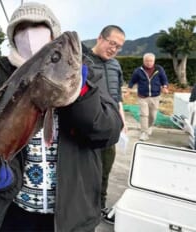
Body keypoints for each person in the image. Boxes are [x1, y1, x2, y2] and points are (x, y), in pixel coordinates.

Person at [0, 2, 124, 231]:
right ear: (12, 36)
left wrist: (82, 92)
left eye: (39, 26)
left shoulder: (88, 76)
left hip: (71, 217)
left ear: (53, 33)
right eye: (21, 28)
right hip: (15, 212)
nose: (29, 34)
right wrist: (4, 182)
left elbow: (109, 131)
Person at [85, 25, 126, 224]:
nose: (114, 49)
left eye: (118, 47)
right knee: (84, 170)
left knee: (105, 170)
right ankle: (82, 206)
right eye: (112, 43)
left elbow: (118, 96)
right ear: (100, 38)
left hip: (110, 129)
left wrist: (122, 119)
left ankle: (99, 206)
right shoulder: (82, 61)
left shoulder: (115, 66)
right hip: (86, 129)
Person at [125, 52, 169, 141]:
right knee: (144, 115)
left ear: (154, 61)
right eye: (147, 61)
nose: (149, 62)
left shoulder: (159, 69)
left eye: (151, 61)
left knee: (153, 116)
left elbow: (164, 79)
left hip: (155, 96)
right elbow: (132, 81)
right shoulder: (138, 70)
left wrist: (164, 87)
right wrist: (128, 91)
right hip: (142, 96)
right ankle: (144, 132)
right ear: (143, 61)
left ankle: (149, 127)